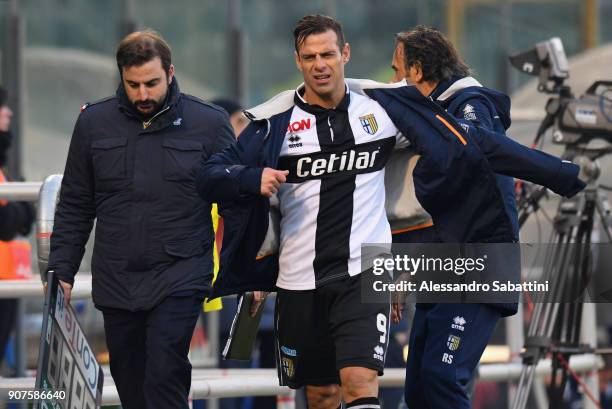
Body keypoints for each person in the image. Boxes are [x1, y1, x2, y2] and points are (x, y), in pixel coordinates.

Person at [196, 15, 584, 409]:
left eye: (328, 54)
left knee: (366, 382)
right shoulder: (272, 122)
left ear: (344, 54)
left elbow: (473, 143)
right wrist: (251, 178)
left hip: (367, 274)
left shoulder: (383, 110)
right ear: (298, 61)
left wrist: (561, 174)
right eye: (310, 56)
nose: (320, 64)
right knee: (323, 393)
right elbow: (210, 176)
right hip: (300, 279)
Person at [46, 30, 235, 409]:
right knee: (131, 384)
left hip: (181, 272)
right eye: (133, 85)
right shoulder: (93, 123)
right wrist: (61, 270)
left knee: (165, 372)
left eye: (151, 83)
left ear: (170, 72)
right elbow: (75, 203)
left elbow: (237, 202)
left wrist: (248, 269)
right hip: (118, 277)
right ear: (121, 78)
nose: (143, 94)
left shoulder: (209, 123)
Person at [388, 26, 519, 408]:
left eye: (396, 70)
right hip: (442, 266)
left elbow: (465, 184)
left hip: (477, 264)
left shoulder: (469, 107)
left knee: (443, 378)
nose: (393, 81)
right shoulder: (433, 116)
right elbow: (427, 205)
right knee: (420, 390)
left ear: (416, 70)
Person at [0, 86, 35, 371]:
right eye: (1, 106)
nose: (7, 112)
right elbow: (8, 221)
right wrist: (20, 210)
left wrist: (19, 211)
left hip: (8, 283)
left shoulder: (4, 167)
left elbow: (22, 216)